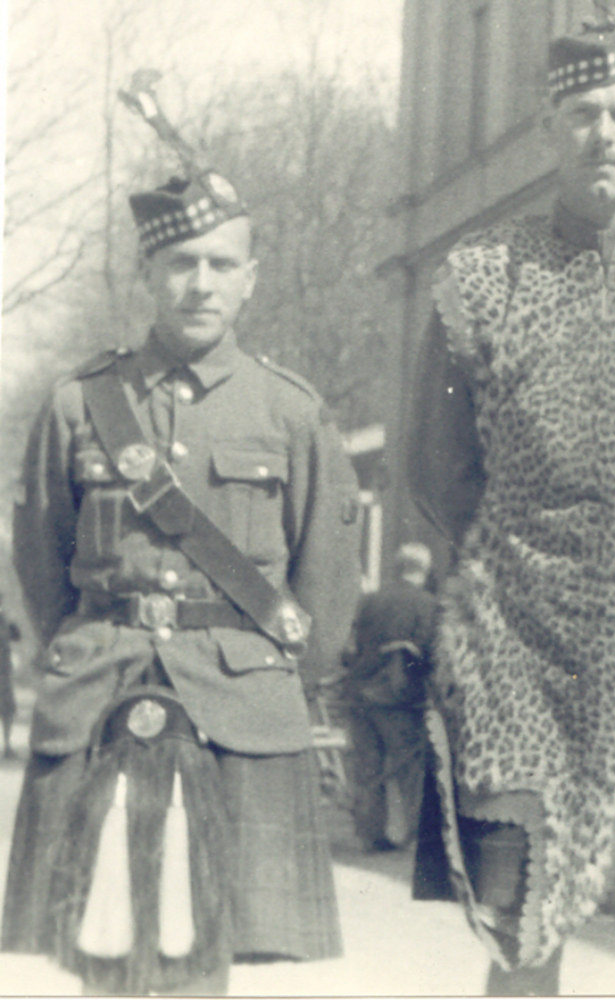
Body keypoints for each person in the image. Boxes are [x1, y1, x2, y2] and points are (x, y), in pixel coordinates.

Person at [408, 7, 615, 996]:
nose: (603, 133)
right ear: (548, 128)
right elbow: (437, 470)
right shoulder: (479, 279)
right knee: (521, 945)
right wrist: (527, 569)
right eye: (581, 114)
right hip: (519, 666)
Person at [2, 160, 361, 995]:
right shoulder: (78, 404)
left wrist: (273, 681)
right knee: (101, 949)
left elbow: (327, 580)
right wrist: (88, 643)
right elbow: (41, 560)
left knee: (204, 960)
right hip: (102, 692)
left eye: (221, 264)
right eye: (181, 263)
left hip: (239, 711)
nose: (201, 283)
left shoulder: (290, 411)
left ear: (250, 279)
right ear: (147, 271)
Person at [344, 542, 437, 851]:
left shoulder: (371, 601)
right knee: (410, 768)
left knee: (367, 766)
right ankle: (416, 836)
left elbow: (355, 645)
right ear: (424, 570)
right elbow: (428, 653)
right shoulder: (427, 603)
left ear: (397, 568)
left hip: (359, 693)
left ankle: (371, 835)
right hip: (397, 698)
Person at [0, 596, 20, 758]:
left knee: (7, 709)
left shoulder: (4, 621)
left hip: (4, 671)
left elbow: (17, 636)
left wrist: (10, 621)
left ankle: (7, 745)